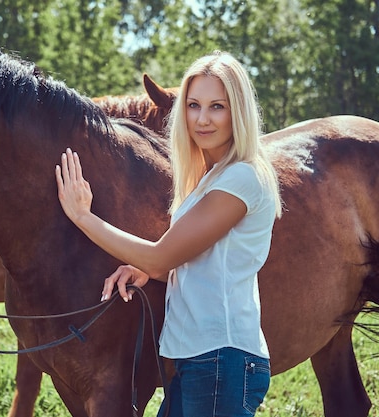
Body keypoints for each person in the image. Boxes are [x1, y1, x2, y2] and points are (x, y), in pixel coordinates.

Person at [55, 51, 283, 417]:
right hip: (200, 360)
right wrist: (150, 271)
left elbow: (162, 253)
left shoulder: (241, 178)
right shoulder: (212, 178)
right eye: (193, 105)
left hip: (221, 362)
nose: (202, 119)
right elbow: (196, 259)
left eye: (217, 107)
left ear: (237, 111)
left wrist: (83, 216)